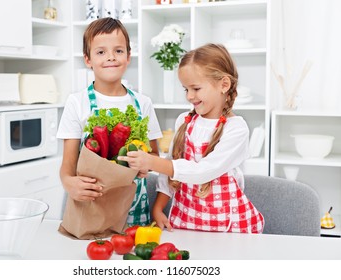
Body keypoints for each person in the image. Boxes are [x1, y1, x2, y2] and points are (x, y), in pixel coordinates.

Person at [119, 43, 264, 233]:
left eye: (196, 88)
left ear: (224, 85)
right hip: (187, 223)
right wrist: (158, 207)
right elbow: (170, 173)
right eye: (185, 89)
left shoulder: (236, 128)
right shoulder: (184, 122)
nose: (189, 96)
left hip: (228, 229)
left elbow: (203, 171)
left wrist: (152, 162)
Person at [57, 17, 162, 226]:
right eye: (101, 52)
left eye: (119, 51)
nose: (111, 57)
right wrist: (69, 184)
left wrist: (146, 165)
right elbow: (67, 167)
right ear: (88, 59)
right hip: (92, 205)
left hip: (135, 209)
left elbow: (154, 155)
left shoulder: (143, 103)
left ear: (128, 56)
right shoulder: (77, 102)